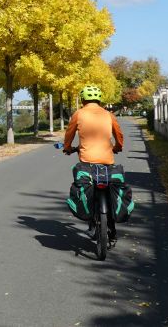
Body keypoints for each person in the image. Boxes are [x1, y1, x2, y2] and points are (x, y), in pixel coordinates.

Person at [63, 84, 124, 242]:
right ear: (99, 99)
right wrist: (117, 147)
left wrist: (67, 147)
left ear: (83, 99)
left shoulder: (79, 113)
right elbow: (119, 135)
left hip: (87, 161)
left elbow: (69, 133)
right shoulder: (108, 115)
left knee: (87, 187)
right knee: (111, 187)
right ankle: (112, 226)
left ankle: (90, 215)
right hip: (107, 160)